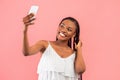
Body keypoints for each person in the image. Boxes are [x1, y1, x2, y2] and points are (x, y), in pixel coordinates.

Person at [23, 13, 86, 80]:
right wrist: (25, 30)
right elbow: (27, 52)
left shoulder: (74, 54)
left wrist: (79, 49)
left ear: (74, 34)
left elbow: (80, 70)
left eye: (69, 29)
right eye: (62, 26)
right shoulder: (44, 44)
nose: (63, 30)